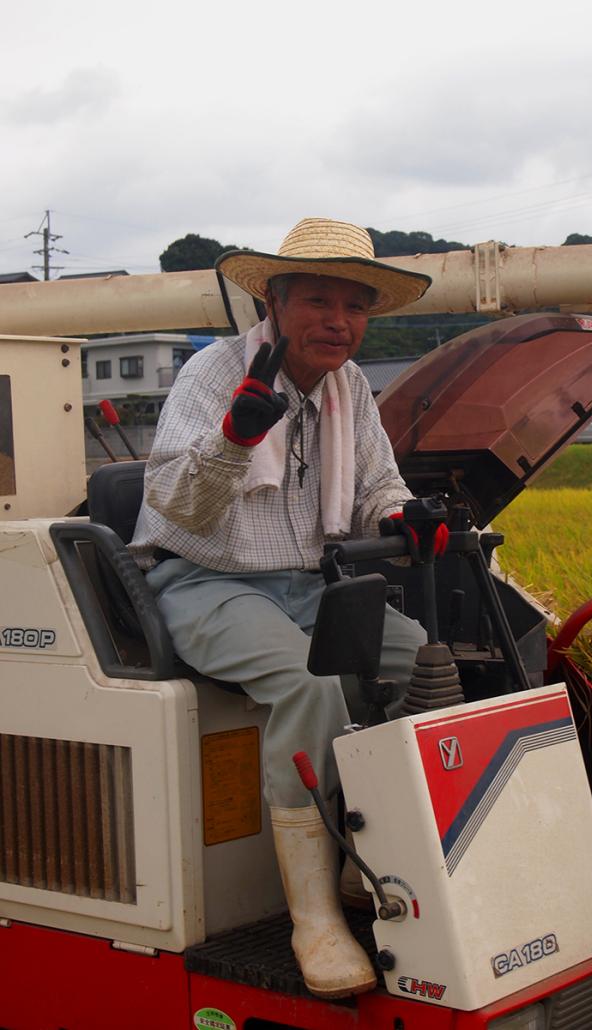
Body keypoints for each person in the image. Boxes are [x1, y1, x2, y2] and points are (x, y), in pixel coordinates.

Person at [129, 217, 439, 999]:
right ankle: (313, 918)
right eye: (319, 300)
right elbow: (173, 504)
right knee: (310, 686)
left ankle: (355, 866)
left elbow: (376, 489)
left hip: (308, 585)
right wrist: (235, 435)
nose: (339, 322)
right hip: (205, 581)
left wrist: (404, 519)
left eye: (355, 306)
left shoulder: (349, 389)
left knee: (421, 665)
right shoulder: (213, 375)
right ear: (274, 297)